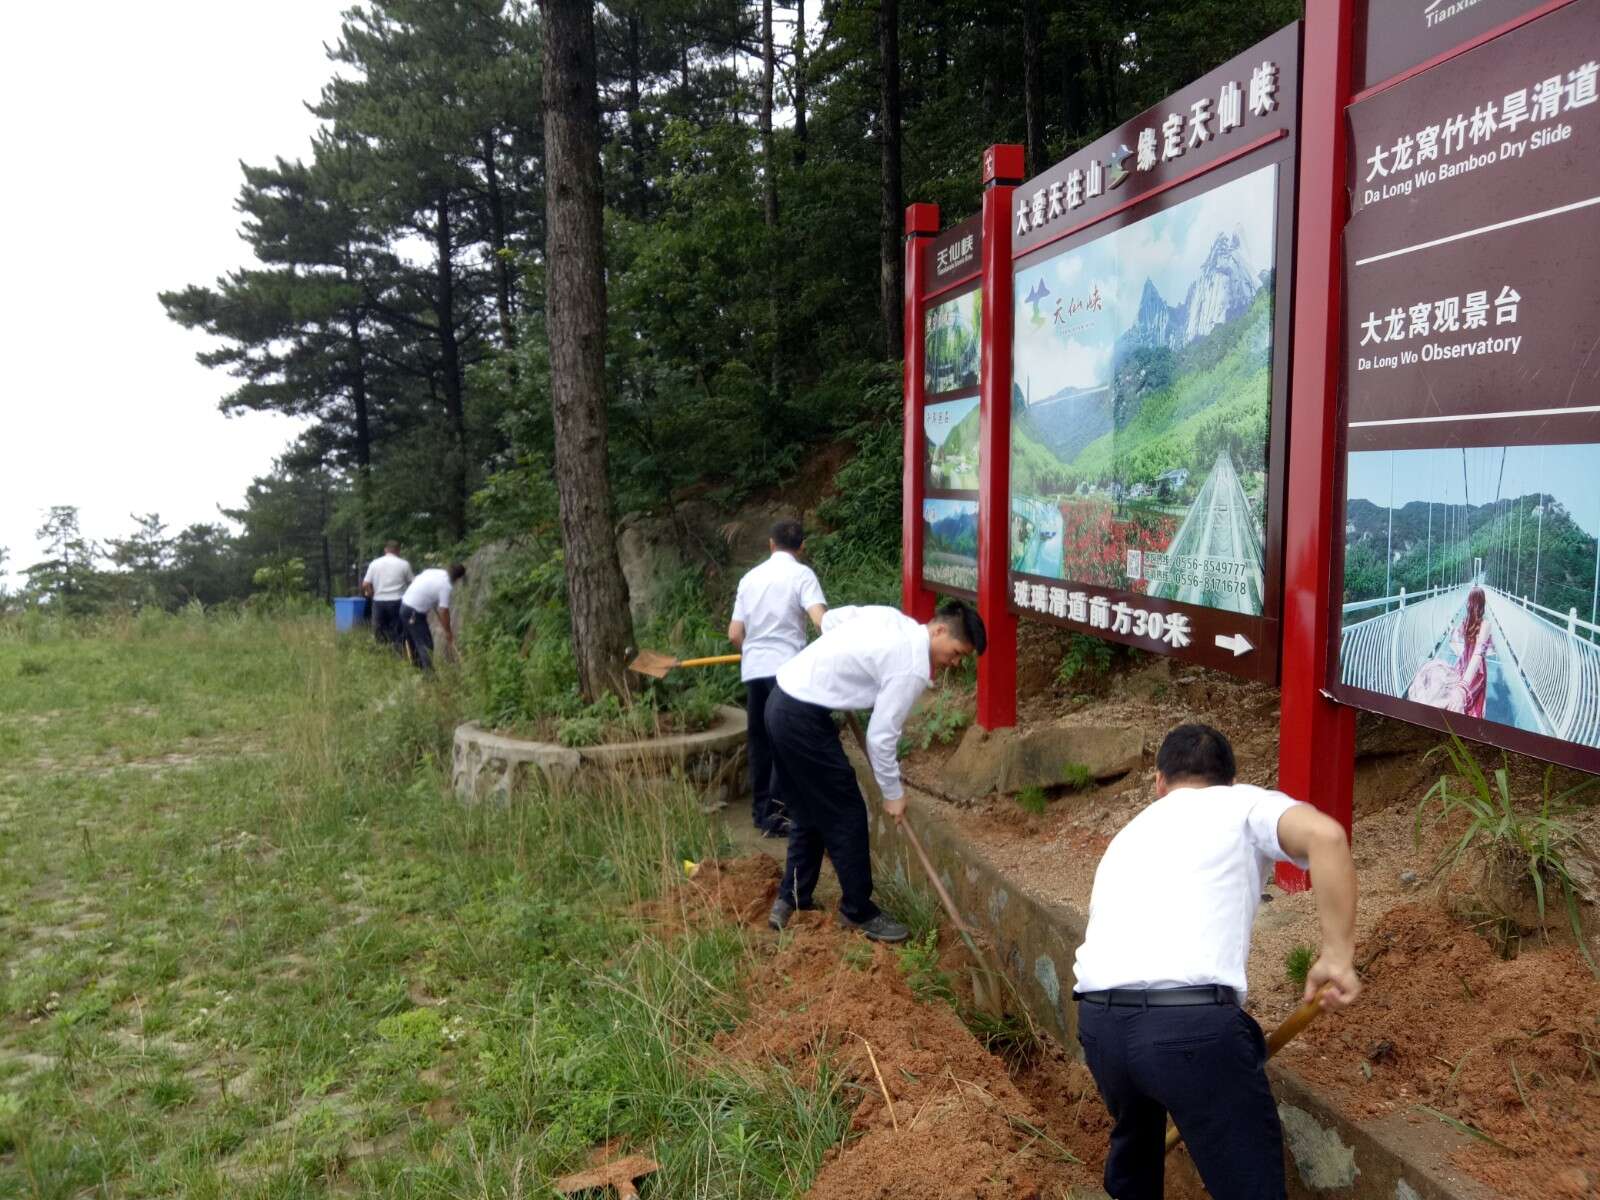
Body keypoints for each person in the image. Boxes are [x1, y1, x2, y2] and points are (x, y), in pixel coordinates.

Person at [1071, 723, 1360, 1200]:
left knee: (1135, 1161)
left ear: (1160, 782)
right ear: (1229, 780)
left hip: (1102, 1026)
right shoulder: (1242, 803)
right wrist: (1337, 955)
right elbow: (1326, 837)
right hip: (1189, 1031)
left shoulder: (1131, 831)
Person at [765, 600, 986, 942]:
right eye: (956, 653)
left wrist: (844, 671)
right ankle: (858, 911)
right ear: (939, 630)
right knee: (847, 812)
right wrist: (893, 794)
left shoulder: (891, 619)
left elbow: (831, 621)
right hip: (801, 718)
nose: (955, 663)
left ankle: (790, 898)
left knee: (809, 811)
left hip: (781, 699)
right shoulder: (912, 667)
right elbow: (880, 738)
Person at [727, 520, 828, 837]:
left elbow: (734, 634)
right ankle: (780, 814)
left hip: (754, 670)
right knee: (783, 739)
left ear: (771, 544)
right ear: (802, 547)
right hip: (787, 671)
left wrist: (751, 651)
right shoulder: (802, 575)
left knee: (759, 741)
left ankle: (761, 813)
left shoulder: (749, 578)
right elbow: (820, 620)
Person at [399, 563, 466, 671]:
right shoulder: (446, 586)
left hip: (404, 606)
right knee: (426, 645)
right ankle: (429, 675)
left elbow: (422, 585)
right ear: (458, 578)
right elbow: (444, 610)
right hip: (414, 613)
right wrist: (448, 632)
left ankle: (418, 671)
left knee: (415, 643)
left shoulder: (433, 571)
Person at [360, 541, 414, 650]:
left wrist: (371, 593)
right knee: (397, 630)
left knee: (379, 630)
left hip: (379, 601)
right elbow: (412, 583)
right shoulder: (404, 564)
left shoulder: (374, 563)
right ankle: (398, 652)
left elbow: (365, 584)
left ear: (385, 550)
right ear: (398, 550)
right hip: (398, 600)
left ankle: (382, 652)